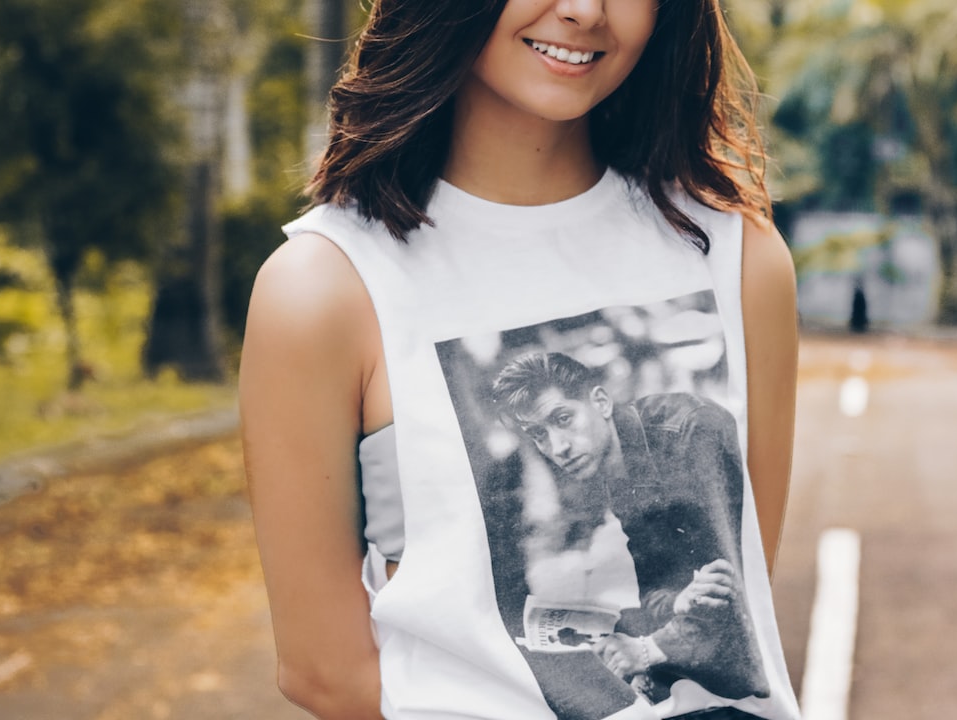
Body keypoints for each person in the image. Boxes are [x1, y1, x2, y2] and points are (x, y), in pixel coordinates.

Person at [238, 0, 800, 719]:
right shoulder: (324, 289)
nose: (584, 11)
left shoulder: (736, 255)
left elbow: (745, 588)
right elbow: (324, 672)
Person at [491, 351, 768, 704]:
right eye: (538, 435)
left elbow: (727, 581)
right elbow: (656, 586)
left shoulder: (691, 432)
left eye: (563, 418)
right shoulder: (612, 465)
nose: (557, 447)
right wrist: (673, 607)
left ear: (601, 402)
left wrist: (648, 649)